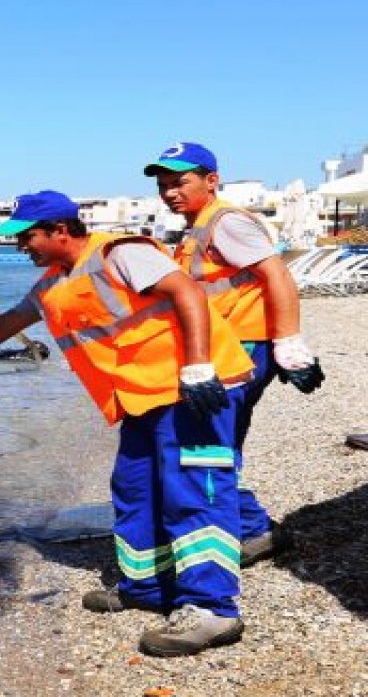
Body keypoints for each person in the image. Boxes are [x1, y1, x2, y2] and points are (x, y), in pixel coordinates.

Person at [0, 190, 256, 657]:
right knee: (135, 488)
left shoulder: (120, 254)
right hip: (142, 397)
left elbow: (188, 293)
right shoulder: (53, 283)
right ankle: (148, 586)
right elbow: (3, 325)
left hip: (191, 389)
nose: (21, 246)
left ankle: (211, 609)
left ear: (60, 230)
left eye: (28, 236)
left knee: (193, 491)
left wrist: (198, 367)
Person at [144, 142, 325, 566]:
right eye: (164, 185)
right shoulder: (200, 226)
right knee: (214, 442)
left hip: (240, 348)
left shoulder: (225, 222)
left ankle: (232, 538)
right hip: (229, 347)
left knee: (202, 445)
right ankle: (249, 527)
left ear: (211, 180)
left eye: (180, 182)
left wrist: (289, 343)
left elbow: (277, 276)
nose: (170, 192)